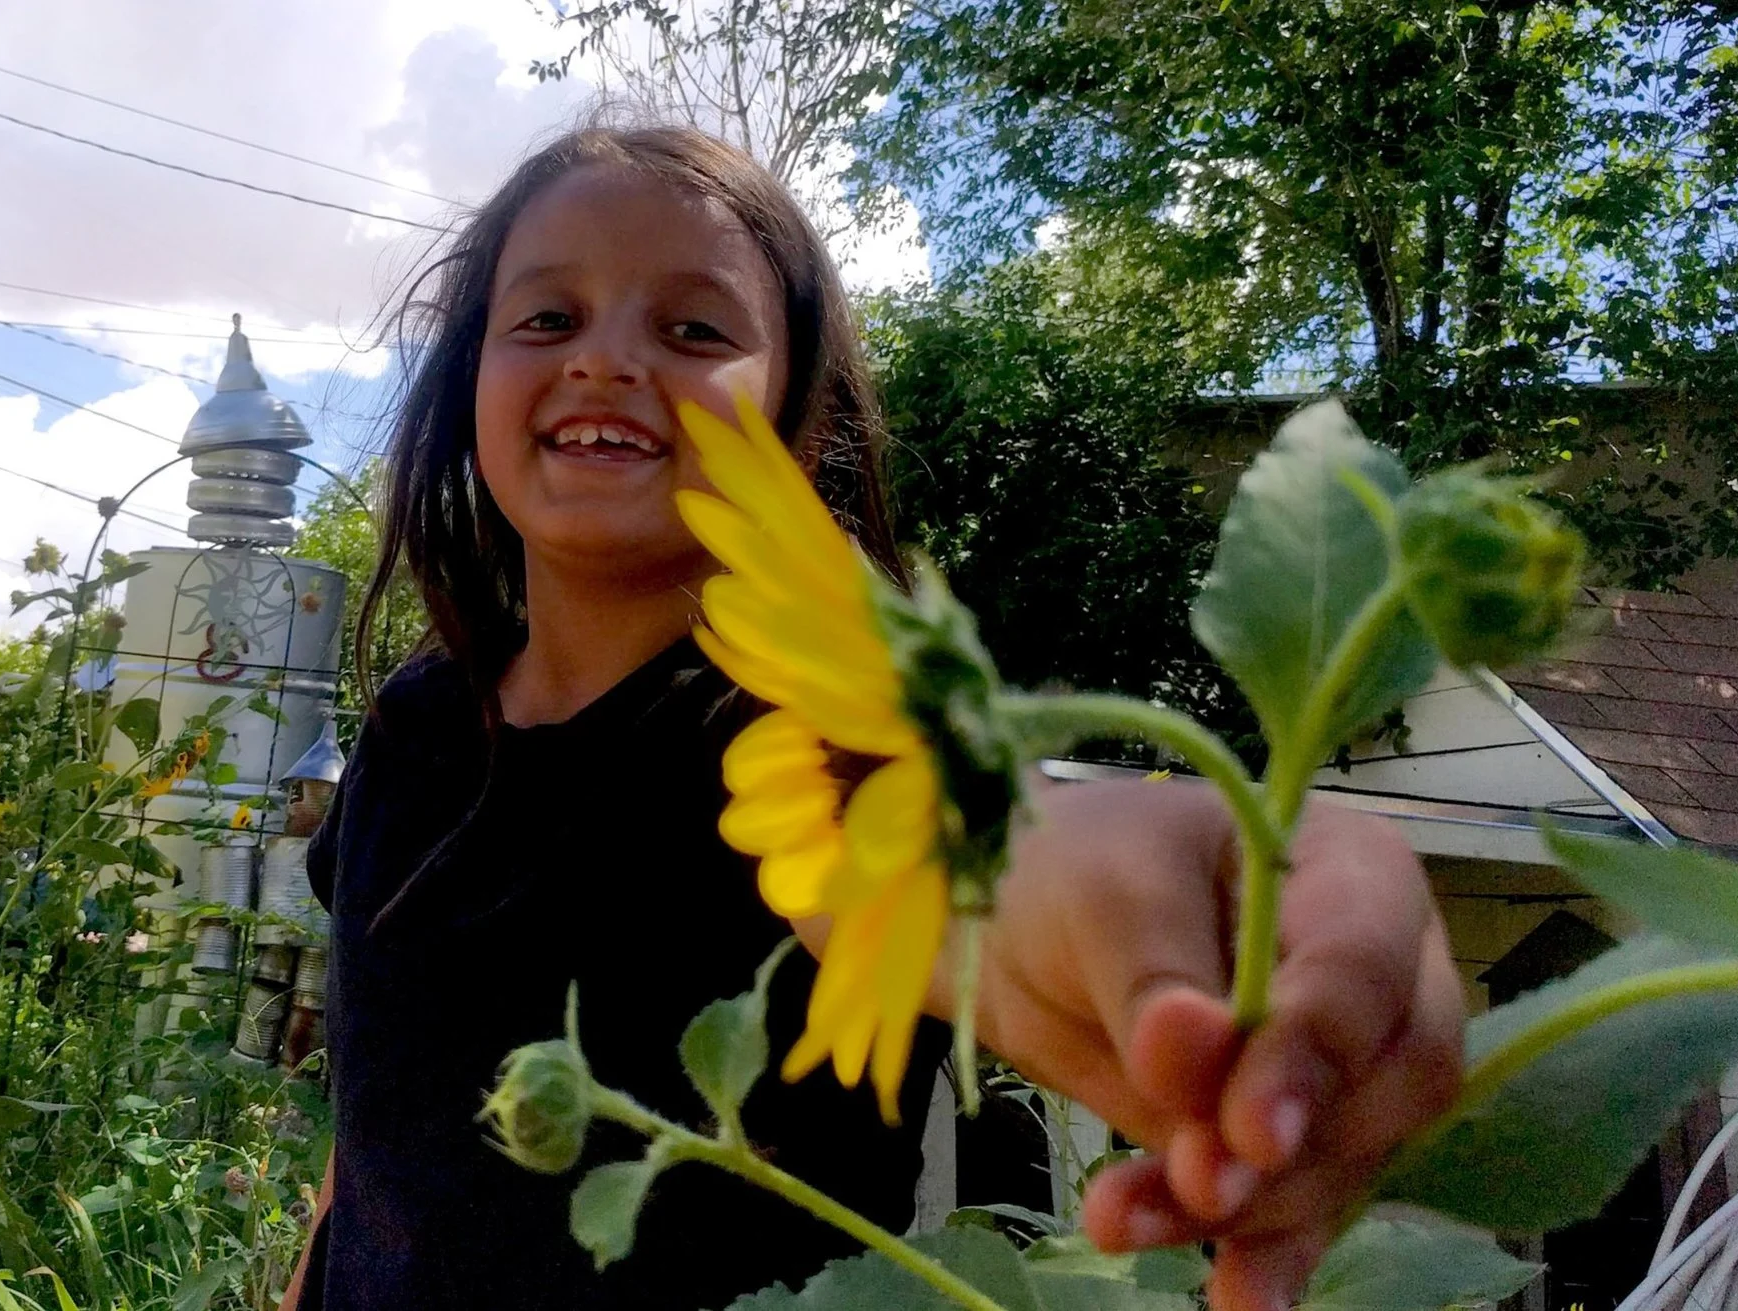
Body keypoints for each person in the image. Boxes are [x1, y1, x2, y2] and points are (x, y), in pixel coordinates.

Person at [284, 124, 1463, 1311]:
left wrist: (1184, 904)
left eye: (692, 329)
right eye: (546, 318)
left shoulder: (822, 734)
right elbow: (371, 1138)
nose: (605, 359)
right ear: (465, 381)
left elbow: (996, 863)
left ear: (798, 424)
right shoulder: (414, 726)